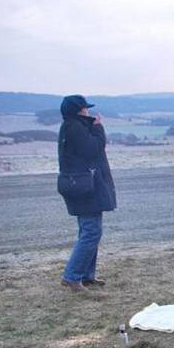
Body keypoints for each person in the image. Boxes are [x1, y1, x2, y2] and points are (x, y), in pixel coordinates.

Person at [57, 95, 117, 293]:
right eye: (85, 109)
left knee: (89, 231)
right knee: (91, 232)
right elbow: (92, 149)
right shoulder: (75, 128)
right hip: (85, 187)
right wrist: (99, 128)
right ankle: (72, 277)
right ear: (78, 110)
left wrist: (93, 128)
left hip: (82, 185)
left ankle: (85, 275)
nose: (88, 111)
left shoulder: (73, 127)